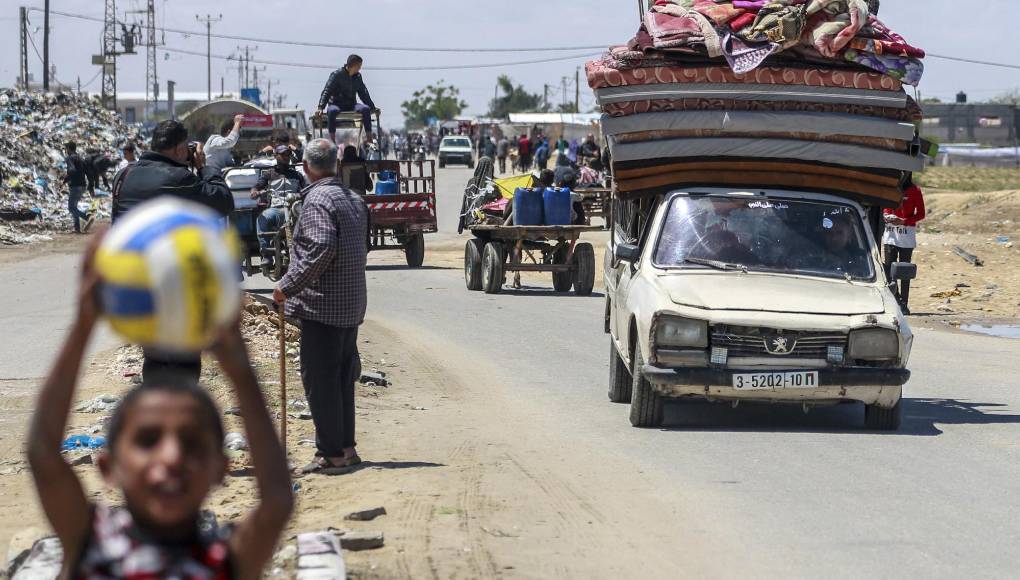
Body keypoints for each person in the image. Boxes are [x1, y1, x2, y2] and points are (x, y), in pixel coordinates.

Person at [27, 236, 293, 579]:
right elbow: (43, 454)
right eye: (148, 440)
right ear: (108, 466)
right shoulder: (92, 542)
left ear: (221, 469)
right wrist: (83, 324)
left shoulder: (224, 558)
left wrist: (241, 371)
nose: (171, 457)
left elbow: (276, 503)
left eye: (192, 443)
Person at [112, 119, 234, 383]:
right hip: (173, 285)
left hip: (136, 286)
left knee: (154, 357)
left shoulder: (125, 176)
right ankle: (180, 416)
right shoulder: (180, 178)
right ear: (179, 149)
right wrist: (206, 167)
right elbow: (223, 201)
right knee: (184, 361)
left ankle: (156, 411)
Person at [274, 139, 369, 475]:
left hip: (323, 307)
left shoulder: (316, 200)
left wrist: (286, 287)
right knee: (342, 378)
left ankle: (330, 454)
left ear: (306, 167)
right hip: (350, 303)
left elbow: (321, 248)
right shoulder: (353, 199)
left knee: (321, 379)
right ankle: (346, 447)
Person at [251, 145, 308, 268]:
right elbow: (257, 186)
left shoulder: (296, 175)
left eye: (288, 155)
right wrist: (255, 191)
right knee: (262, 218)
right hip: (275, 210)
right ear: (275, 156)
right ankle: (266, 254)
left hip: (294, 210)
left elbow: (306, 189)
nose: (286, 157)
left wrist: (304, 194)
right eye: (283, 155)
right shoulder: (268, 174)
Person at [883, 177, 926, 314]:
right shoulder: (890, 187)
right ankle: (896, 301)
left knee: (904, 271)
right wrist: (886, 215)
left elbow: (921, 214)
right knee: (889, 270)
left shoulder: (915, 190)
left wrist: (904, 221)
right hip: (890, 235)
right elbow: (884, 207)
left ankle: (904, 304)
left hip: (906, 236)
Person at [317, 54, 377, 145]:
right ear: (353, 65)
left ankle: (369, 139)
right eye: (359, 66)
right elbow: (327, 91)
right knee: (332, 111)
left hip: (351, 104)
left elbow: (363, 93)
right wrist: (321, 107)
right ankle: (332, 141)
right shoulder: (336, 75)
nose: (360, 68)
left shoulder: (358, 77)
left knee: (366, 109)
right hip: (336, 104)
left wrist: (373, 108)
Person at [63, 142, 90, 234]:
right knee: (74, 207)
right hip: (82, 185)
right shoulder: (80, 157)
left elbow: (72, 170)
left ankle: (87, 217)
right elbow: (87, 171)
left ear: (69, 149)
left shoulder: (70, 158)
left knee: (71, 208)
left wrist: (65, 179)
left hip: (75, 185)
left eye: (66, 148)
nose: (65, 150)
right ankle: (77, 228)